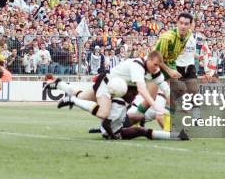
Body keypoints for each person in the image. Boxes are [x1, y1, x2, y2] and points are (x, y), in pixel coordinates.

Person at [44, 51, 185, 140]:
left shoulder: (155, 71)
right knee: (103, 113)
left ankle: (59, 84)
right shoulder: (137, 66)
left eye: (158, 66)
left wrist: (177, 108)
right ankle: (72, 100)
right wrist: (155, 106)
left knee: (82, 97)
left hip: (117, 89)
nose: (156, 68)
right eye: (154, 65)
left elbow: (166, 89)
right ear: (148, 59)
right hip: (108, 85)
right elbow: (142, 89)